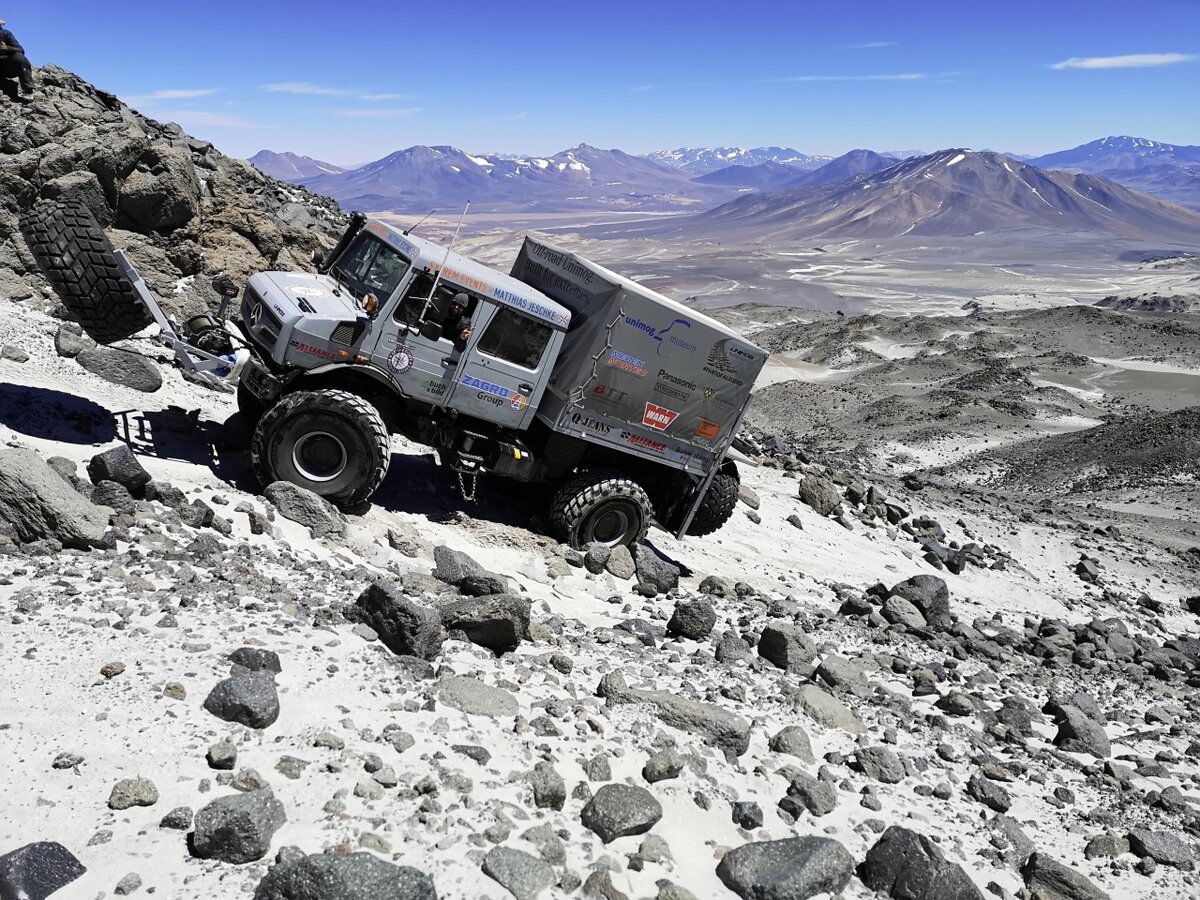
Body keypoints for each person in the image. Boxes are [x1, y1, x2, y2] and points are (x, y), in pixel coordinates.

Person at [0, 19, 34, 98]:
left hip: (8, 66)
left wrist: (6, 48)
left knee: (19, 57)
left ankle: (28, 90)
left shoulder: (6, 34)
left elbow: (20, 50)